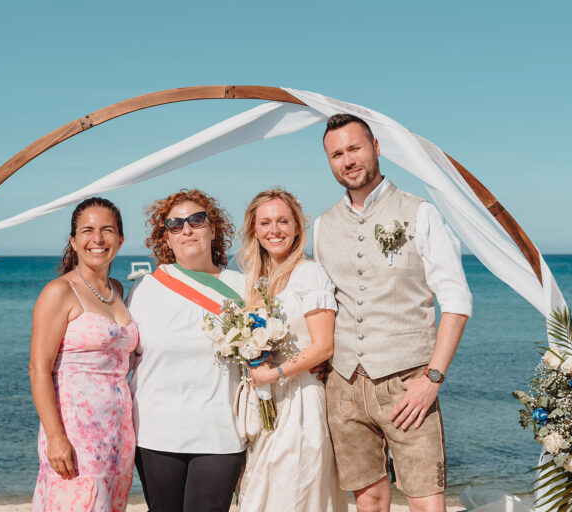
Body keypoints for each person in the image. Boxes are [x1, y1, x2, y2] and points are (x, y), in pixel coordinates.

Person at [314, 114, 473, 512]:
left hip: (407, 384)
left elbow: (456, 300)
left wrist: (432, 378)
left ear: (376, 149)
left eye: (355, 148)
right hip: (345, 385)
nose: (348, 160)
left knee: (426, 503)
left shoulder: (421, 213)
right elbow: (324, 302)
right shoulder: (321, 226)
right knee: (368, 502)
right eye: (337, 154)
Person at [126, 189, 245, 512]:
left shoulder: (241, 288)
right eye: (175, 225)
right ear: (166, 237)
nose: (187, 229)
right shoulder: (143, 289)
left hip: (220, 431)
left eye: (196, 220)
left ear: (213, 228)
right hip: (154, 432)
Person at [238, 189, 347, 512]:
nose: (275, 230)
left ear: (298, 228)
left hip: (300, 400)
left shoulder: (308, 273)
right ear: (254, 231)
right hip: (267, 398)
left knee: (295, 491)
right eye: (266, 223)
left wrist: (275, 372)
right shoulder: (256, 280)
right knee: (264, 491)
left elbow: (323, 346)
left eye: (283, 221)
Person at [30, 197, 138, 511]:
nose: (98, 239)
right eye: (88, 230)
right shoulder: (59, 292)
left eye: (107, 230)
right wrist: (55, 437)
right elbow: (38, 369)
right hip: (76, 435)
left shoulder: (117, 290)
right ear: (73, 241)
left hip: (119, 434)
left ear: (120, 239)